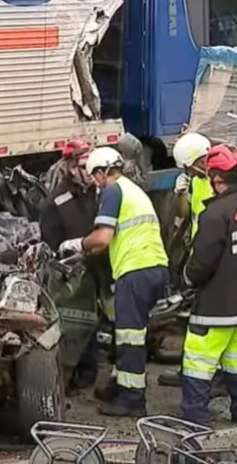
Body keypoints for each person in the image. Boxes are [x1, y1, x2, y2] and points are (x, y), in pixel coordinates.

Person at [58, 147, 169, 417]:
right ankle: (118, 386)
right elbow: (107, 244)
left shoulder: (112, 191)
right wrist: (84, 253)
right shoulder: (132, 190)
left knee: (129, 337)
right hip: (154, 268)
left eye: (94, 175)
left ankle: (132, 400)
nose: (94, 182)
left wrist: (74, 244)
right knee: (129, 331)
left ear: (102, 171)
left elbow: (102, 238)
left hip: (135, 270)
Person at [180, 144, 237, 427]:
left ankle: (196, 420)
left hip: (217, 306)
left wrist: (186, 280)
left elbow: (202, 263)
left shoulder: (215, 214)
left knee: (198, 361)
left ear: (216, 178)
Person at [38, 138, 103, 390]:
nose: (88, 173)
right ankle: (79, 373)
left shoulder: (98, 192)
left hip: (101, 265)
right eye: (83, 166)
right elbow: (50, 243)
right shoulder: (56, 202)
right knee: (78, 321)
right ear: (69, 166)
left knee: (104, 317)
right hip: (72, 273)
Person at [159, 131, 216, 389]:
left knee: (206, 323)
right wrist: (181, 193)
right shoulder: (196, 182)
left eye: (188, 167)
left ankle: (202, 376)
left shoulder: (219, 181)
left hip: (214, 258)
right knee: (194, 320)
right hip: (199, 254)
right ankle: (190, 372)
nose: (188, 172)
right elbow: (185, 213)